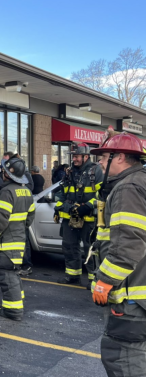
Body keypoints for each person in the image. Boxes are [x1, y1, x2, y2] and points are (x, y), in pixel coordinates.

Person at [87, 132, 146, 377]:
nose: (100, 162)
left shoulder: (128, 188)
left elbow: (128, 245)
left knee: (124, 359)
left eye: (104, 156)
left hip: (132, 295)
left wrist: (104, 281)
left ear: (120, 157)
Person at [0, 157, 35, 321]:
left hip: (5, 242)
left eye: (4, 171)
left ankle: (13, 310)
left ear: (8, 175)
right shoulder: (27, 191)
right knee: (13, 273)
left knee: (6, 275)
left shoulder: (7, 192)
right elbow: (29, 219)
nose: (2, 174)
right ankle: (17, 303)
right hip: (19, 240)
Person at [54, 143, 103, 285]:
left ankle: (93, 279)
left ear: (85, 156)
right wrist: (58, 208)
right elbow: (62, 193)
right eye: (73, 156)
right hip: (70, 217)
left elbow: (102, 194)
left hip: (89, 218)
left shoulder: (96, 171)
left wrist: (88, 206)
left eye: (76, 156)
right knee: (69, 246)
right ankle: (72, 275)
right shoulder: (69, 172)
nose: (74, 159)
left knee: (90, 249)